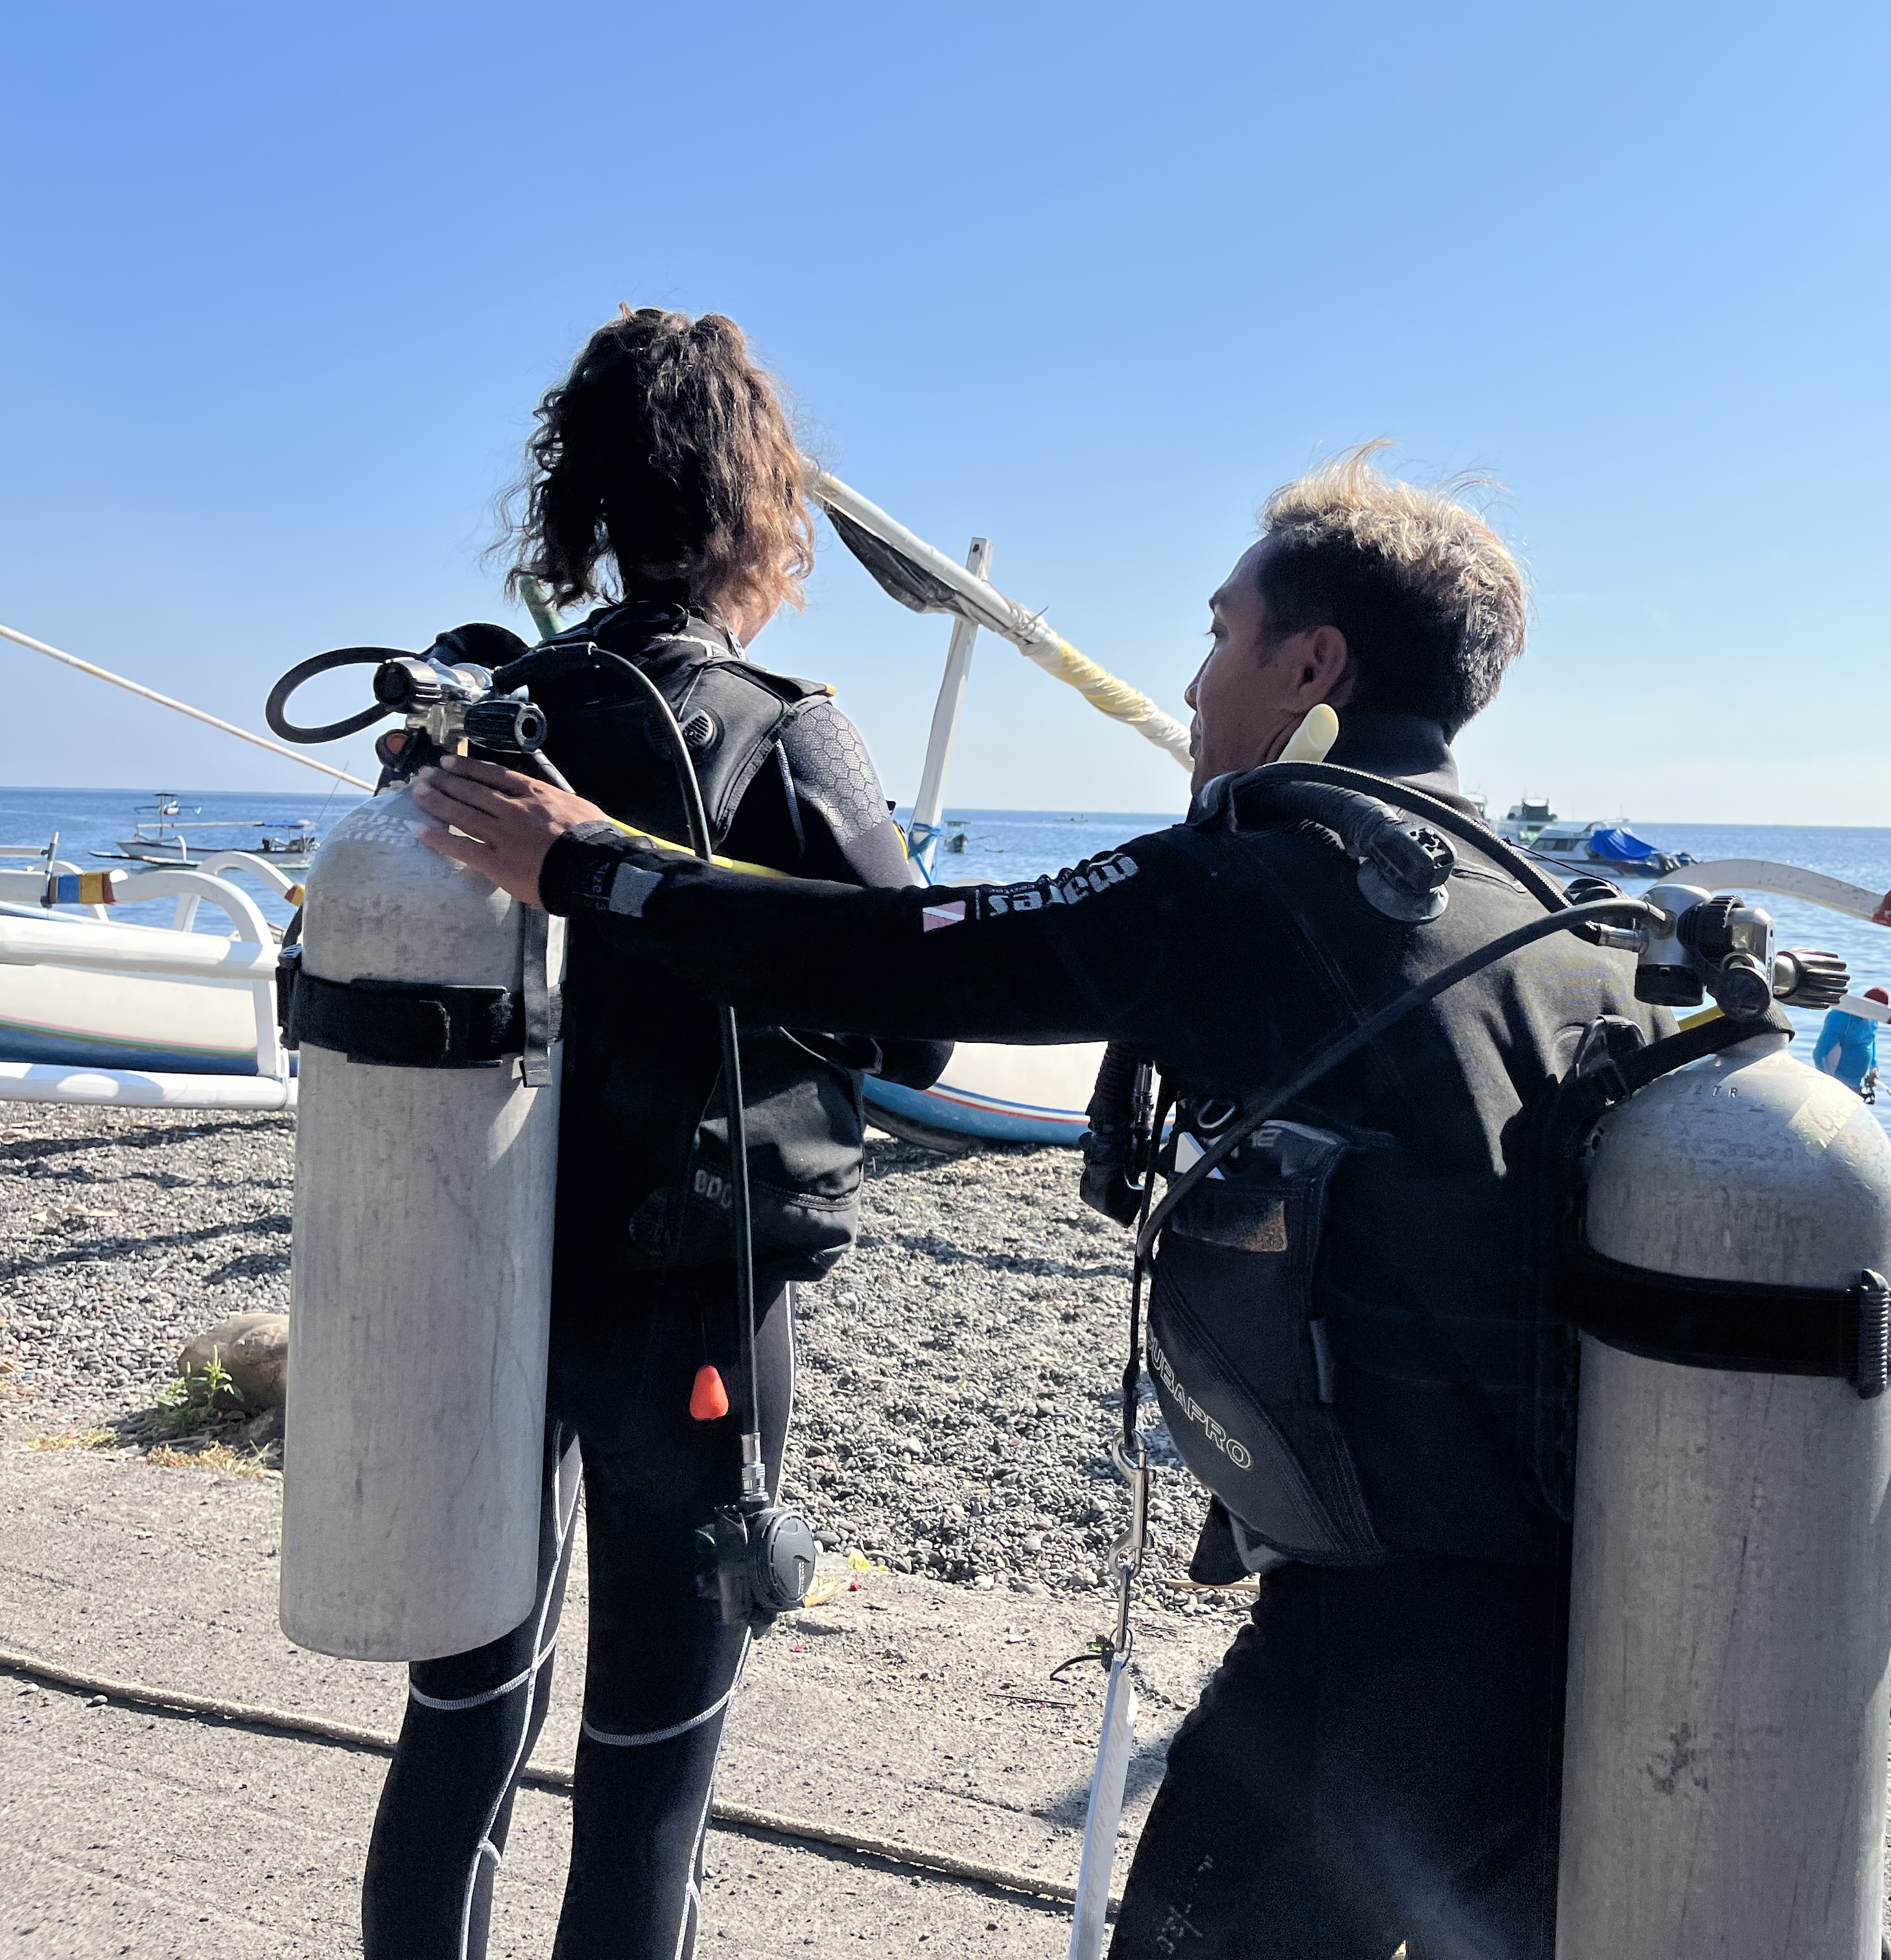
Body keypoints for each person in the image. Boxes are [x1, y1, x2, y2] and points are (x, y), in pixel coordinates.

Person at [410, 447, 1654, 1958]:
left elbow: (923, 951)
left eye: (1219, 635)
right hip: (1568, 1612)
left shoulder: (1279, 880)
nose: (1196, 687)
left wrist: (594, 872)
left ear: (1315, 662)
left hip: (1391, 1637)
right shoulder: (1528, 907)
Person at [360, 307, 948, 1960]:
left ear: (585, 505)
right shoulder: (781, 725)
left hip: (476, 1272)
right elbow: (916, 1014)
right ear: (762, 503)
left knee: (462, 1722)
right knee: (647, 1774)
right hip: (692, 1292)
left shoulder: (494, 728)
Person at [1812, 983, 1890, 1097]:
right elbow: (1821, 1051)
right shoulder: (1842, 1016)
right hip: (1837, 1084)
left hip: (1857, 1085)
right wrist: (1827, 1080)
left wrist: (1874, 1068)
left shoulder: (1873, 1019)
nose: (1876, 1016)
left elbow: (1871, 1042)